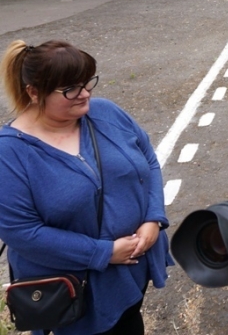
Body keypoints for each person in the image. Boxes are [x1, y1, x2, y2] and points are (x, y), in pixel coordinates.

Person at [0, 40, 172, 335]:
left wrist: (153, 217)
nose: (85, 93)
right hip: (73, 294)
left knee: (129, 324)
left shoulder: (106, 113)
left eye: (87, 82)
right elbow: (23, 233)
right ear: (34, 92)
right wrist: (104, 252)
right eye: (70, 89)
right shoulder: (9, 154)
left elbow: (148, 160)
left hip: (131, 272)